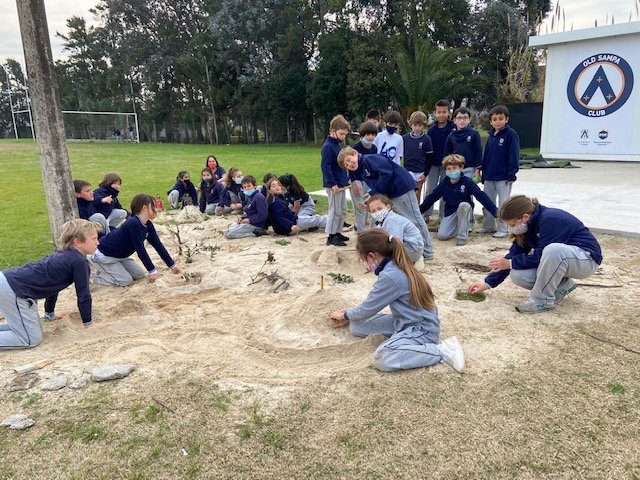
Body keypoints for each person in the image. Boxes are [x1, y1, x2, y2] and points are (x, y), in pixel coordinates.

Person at [328, 229, 465, 373]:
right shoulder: (396, 264)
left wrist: (344, 315)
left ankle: (442, 350)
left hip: (421, 328)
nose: (363, 264)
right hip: (403, 321)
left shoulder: (391, 275)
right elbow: (367, 309)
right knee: (357, 326)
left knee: (382, 358)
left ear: (371, 256)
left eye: (362, 259)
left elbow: (369, 307)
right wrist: (350, 317)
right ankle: (401, 339)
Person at [467, 195, 602, 313]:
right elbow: (513, 256)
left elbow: (542, 254)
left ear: (525, 217)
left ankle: (542, 301)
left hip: (585, 260)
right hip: (564, 261)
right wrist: (487, 283)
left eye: (513, 224)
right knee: (517, 274)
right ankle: (562, 285)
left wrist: (510, 263)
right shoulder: (527, 227)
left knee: (552, 250)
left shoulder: (550, 219)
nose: (511, 228)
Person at [1, 220, 106, 349]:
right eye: (94, 238)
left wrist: (49, 313)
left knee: (35, 329)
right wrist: (88, 324)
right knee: (30, 339)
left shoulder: (63, 256)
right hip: (13, 289)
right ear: (78, 242)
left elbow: (53, 286)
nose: (98, 242)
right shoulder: (79, 262)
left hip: (10, 285)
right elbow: (83, 295)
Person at [338, 147, 434, 261]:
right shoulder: (361, 169)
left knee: (415, 219)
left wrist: (375, 190)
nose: (350, 164)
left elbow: (386, 172)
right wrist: (371, 194)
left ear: (355, 154)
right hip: (393, 192)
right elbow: (376, 182)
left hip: (402, 188)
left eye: (349, 159)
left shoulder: (368, 159)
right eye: (346, 165)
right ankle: (413, 245)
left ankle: (428, 252)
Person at [89, 194, 181, 287]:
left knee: (139, 275)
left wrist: (172, 266)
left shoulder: (148, 224)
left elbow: (158, 245)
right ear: (144, 208)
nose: (156, 209)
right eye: (153, 206)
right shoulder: (133, 223)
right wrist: (152, 271)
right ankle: (91, 277)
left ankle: (110, 270)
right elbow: (140, 250)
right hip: (103, 255)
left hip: (120, 257)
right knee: (125, 281)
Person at [420, 154, 498, 246]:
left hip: (464, 210)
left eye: (454, 168)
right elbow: (432, 197)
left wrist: (496, 212)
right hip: (450, 212)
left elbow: (481, 196)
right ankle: (458, 228)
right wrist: (419, 211)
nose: (452, 171)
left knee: (463, 205)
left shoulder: (467, 182)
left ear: (461, 167)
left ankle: (462, 236)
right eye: (449, 169)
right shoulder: (444, 183)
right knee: (442, 236)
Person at [477, 105, 521, 238]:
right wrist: (482, 172)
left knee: (503, 205)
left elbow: (514, 155)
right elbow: (486, 156)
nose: (497, 121)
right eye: (494, 119)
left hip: (504, 177)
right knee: (488, 202)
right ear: (490, 121)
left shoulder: (511, 135)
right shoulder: (491, 136)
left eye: (500, 118)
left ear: (506, 119)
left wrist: (512, 174)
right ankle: (488, 225)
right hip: (489, 176)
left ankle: (503, 228)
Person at [321, 115, 350, 247]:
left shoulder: (336, 145)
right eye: (341, 134)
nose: (343, 137)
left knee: (343, 209)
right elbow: (325, 167)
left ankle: (338, 232)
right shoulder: (328, 147)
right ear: (333, 131)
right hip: (333, 185)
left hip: (341, 183)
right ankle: (331, 236)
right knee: (335, 210)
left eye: (345, 134)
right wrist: (332, 183)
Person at [368, 195, 423, 263]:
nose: (377, 212)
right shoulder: (383, 221)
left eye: (379, 209)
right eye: (373, 211)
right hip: (410, 248)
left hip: (412, 251)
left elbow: (396, 243)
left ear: (388, 207)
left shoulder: (391, 220)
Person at [426, 100, 455, 221]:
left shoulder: (453, 127)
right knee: (430, 190)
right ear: (435, 113)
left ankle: (443, 215)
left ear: (449, 112)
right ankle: (427, 213)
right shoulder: (431, 129)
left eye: (444, 112)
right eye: (439, 112)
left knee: (446, 189)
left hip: (448, 165)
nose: (441, 114)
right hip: (433, 164)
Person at [349, 121, 378, 233]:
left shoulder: (374, 148)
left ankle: (372, 229)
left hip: (369, 179)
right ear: (362, 135)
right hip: (357, 178)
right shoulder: (356, 147)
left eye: (373, 134)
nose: (370, 137)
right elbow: (351, 168)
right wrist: (355, 183)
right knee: (360, 207)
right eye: (367, 134)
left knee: (370, 203)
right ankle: (360, 231)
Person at [444, 106, 482, 180]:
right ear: (455, 120)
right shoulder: (451, 135)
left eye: (465, 118)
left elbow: (478, 152)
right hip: (455, 169)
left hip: (470, 169)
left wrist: (478, 169)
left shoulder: (474, 134)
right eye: (459, 118)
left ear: (469, 120)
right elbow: (447, 153)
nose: (462, 120)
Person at [403, 111, 433, 202]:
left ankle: (417, 213)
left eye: (420, 126)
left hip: (420, 171)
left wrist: (425, 174)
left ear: (423, 126)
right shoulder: (405, 138)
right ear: (410, 124)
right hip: (408, 170)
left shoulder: (426, 139)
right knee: (408, 194)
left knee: (417, 194)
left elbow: (429, 158)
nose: (417, 128)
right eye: (415, 125)